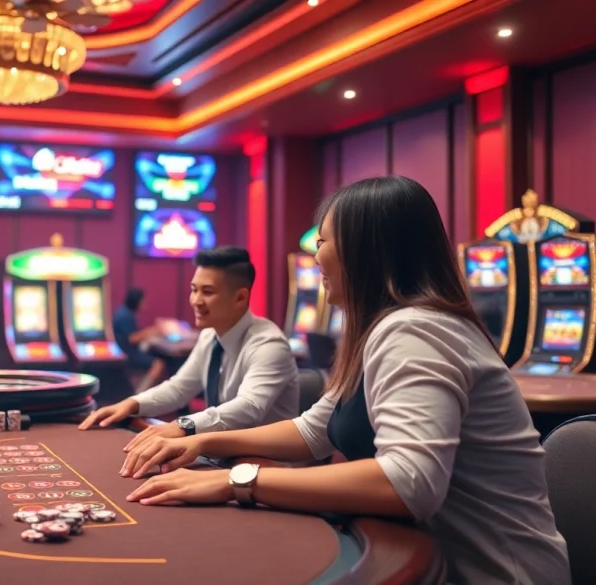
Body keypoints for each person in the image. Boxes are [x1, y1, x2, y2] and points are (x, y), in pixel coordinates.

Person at [119, 177, 570, 585]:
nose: (315, 256)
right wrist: (201, 441)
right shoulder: (383, 328)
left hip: (494, 573)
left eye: (322, 241)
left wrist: (238, 479)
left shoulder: (415, 330)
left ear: (364, 250)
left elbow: (410, 482)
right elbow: (315, 429)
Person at [80, 247, 300, 457]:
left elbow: (248, 408)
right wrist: (131, 404)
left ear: (240, 298)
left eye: (208, 292)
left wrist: (183, 425)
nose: (196, 300)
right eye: (194, 289)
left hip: (268, 465)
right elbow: (179, 388)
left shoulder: (269, 345)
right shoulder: (209, 336)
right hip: (222, 454)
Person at [112, 288, 166, 392]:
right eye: (143, 301)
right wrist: (153, 330)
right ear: (136, 301)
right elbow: (132, 338)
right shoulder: (124, 315)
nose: (145, 304)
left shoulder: (124, 312)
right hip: (128, 354)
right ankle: (140, 394)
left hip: (127, 351)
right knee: (158, 364)